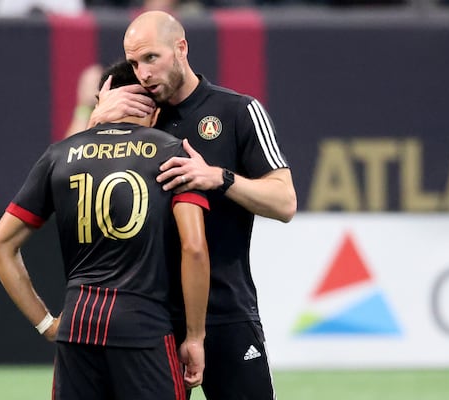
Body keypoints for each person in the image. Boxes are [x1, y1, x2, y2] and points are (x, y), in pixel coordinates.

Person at [88, 11, 297, 400]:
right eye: (134, 63)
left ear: (180, 48)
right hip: (151, 319)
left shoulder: (238, 111)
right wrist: (97, 122)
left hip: (225, 312)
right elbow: (76, 189)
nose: (143, 73)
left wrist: (219, 177)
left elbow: (284, 202)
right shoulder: (134, 118)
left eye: (151, 58)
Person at [0, 60, 211, 399]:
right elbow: (194, 248)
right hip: (145, 326)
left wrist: (47, 324)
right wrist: (194, 336)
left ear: (103, 101)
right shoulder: (172, 153)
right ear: (153, 110)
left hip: (78, 326)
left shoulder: (60, 154)